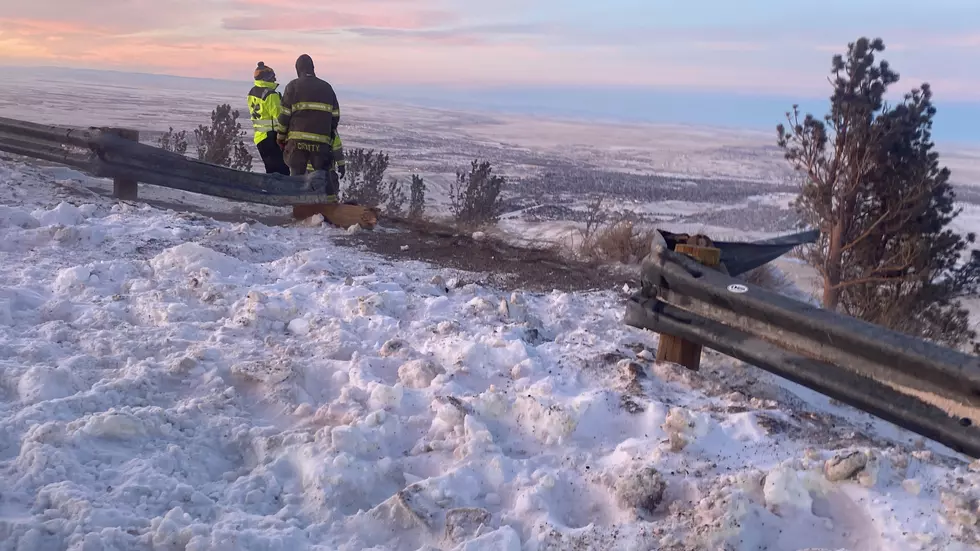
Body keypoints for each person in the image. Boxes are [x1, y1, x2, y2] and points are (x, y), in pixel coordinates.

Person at [277, 54, 344, 201]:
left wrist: (281, 137)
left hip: (297, 144)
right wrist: (327, 134)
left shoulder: (293, 86)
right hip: (321, 144)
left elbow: (284, 116)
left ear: (298, 69)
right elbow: (335, 116)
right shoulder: (327, 88)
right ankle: (325, 207)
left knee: (296, 178)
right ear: (313, 68)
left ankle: (296, 206)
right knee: (321, 177)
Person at [246, 62, 289, 175]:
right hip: (271, 137)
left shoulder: (252, 92)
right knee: (282, 171)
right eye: (272, 77)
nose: (274, 79)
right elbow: (281, 117)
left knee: (270, 170)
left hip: (259, 138)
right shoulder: (271, 95)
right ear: (266, 78)